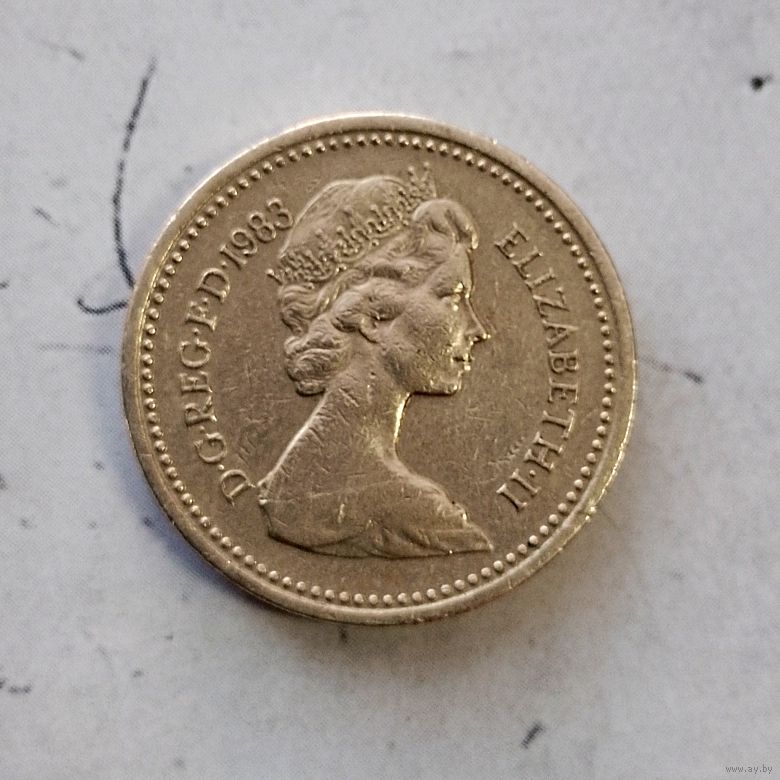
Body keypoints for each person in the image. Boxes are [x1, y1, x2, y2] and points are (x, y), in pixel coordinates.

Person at [257, 167, 493, 557]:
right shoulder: (421, 515)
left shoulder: (282, 486)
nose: (477, 329)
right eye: (452, 298)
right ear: (373, 318)